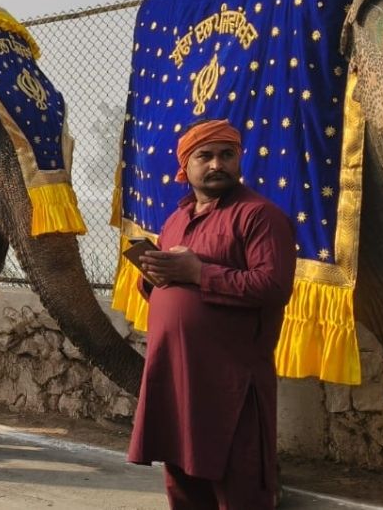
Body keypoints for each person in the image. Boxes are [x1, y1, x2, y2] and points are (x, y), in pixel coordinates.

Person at [127, 119, 297, 509]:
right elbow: (170, 291)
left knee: (240, 489)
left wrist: (199, 273)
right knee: (183, 486)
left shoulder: (259, 216)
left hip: (231, 383)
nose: (217, 164)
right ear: (185, 165)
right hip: (177, 378)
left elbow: (272, 287)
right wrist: (152, 277)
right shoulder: (176, 220)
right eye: (205, 156)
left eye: (226, 155)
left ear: (239, 160)